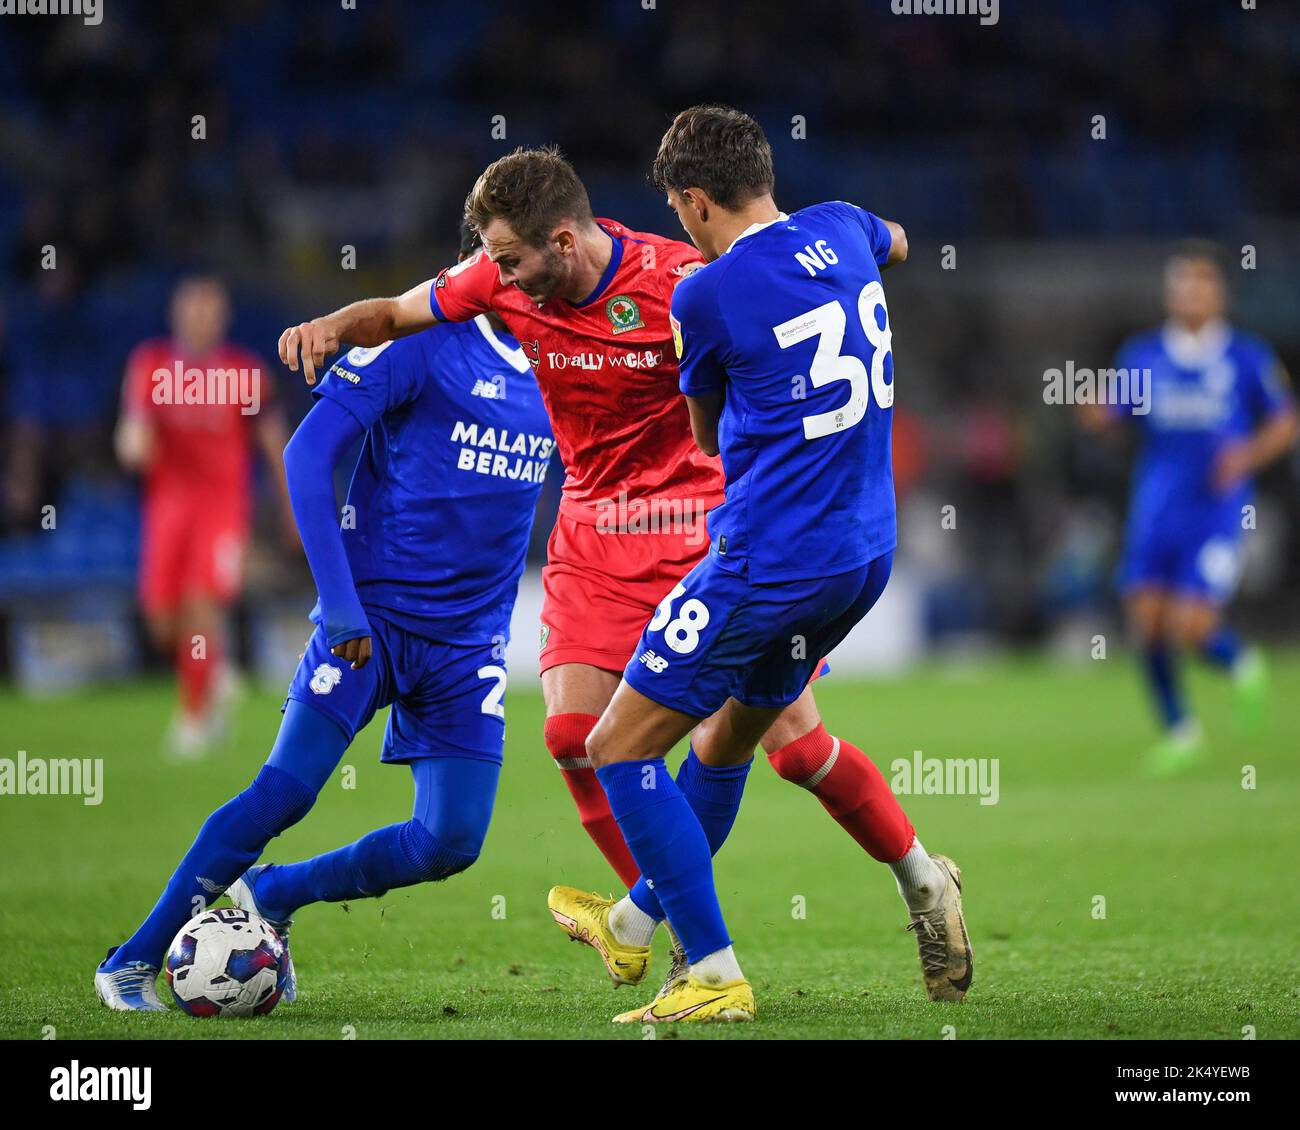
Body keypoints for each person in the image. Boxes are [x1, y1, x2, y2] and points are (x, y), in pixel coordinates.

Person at [279, 139, 967, 1012]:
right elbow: (402, 312)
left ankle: (865, 884)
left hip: (696, 527)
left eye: (512, 259)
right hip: (594, 534)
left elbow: (746, 383)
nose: (501, 278)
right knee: (575, 735)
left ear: (564, 240)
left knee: (787, 747)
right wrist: (339, 322)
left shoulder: (683, 280)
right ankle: (681, 941)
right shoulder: (494, 279)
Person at [95, 231, 553, 1010]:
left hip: (468, 644)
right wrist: (341, 605)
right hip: (370, 621)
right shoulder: (422, 344)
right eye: (508, 257)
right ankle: (131, 961)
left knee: (451, 841)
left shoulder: (566, 368)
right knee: (284, 793)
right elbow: (309, 457)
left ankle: (273, 894)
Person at [1082, 244, 1297, 775]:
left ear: (1219, 293)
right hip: (1156, 507)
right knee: (1147, 621)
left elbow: (1284, 422)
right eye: (1182, 285)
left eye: (1201, 285)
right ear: (1170, 294)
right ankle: (1182, 730)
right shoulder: (1144, 354)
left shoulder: (1246, 356)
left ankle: (1241, 661)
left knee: (1190, 625)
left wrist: (1246, 456)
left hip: (1217, 512)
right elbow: (1116, 412)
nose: (1191, 294)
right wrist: (1097, 415)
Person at [115, 276, 294, 758]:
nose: (198, 319)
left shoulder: (246, 374)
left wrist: (288, 506)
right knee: (160, 621)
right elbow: (132, 426)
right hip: (166, 510)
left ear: (222, 318)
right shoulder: (150, 365)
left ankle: (195, 719)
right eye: (191, 310)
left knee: (200, 604)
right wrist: (131, 444)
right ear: (176, 316)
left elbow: (273, 443)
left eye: (207, 311)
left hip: (221, 510)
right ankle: (212, 671)